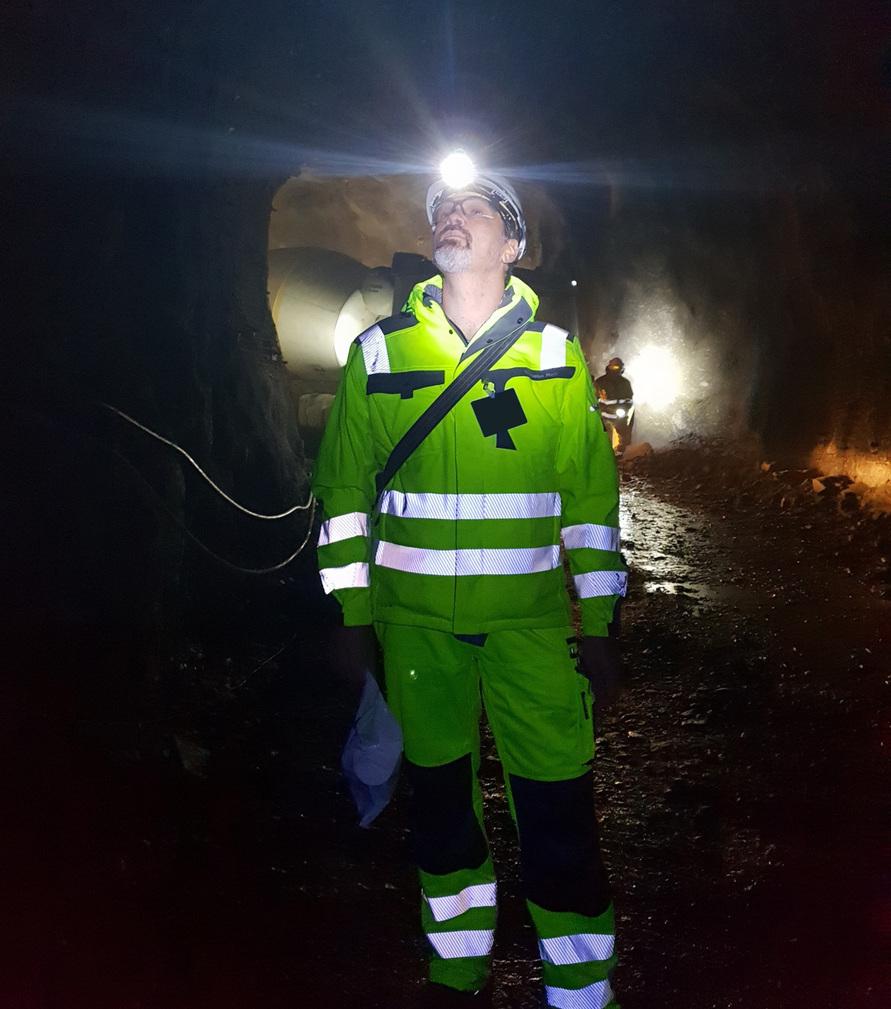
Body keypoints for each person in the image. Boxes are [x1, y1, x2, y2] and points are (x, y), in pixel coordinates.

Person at [312, 167, 627, 1008]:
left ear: (513, 246)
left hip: (529, 631)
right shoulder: (378, 353)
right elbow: (343, 495)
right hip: (415, 631)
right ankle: (457, 968)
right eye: (442, 209)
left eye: (475, 209)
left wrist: (596, 624)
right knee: (442, 809)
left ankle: (582, 986)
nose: (451, 215)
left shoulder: (556, 360)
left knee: (557, 808)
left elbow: (590, 507)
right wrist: (351, 618)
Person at [594, 357, 634, 456]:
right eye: (613, 366)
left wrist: (625, 409)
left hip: (619, 415)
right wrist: (596, 408)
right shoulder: (600, 382)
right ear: (609, 367)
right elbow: (594, 398)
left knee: (623, 435)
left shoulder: (625, 383)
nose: (615, 369)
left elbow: (629, 400)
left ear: (621, 368)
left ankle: (619, 455)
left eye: (617, 366)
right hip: (604, 416)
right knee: (604, 437)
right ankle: (605, 456)